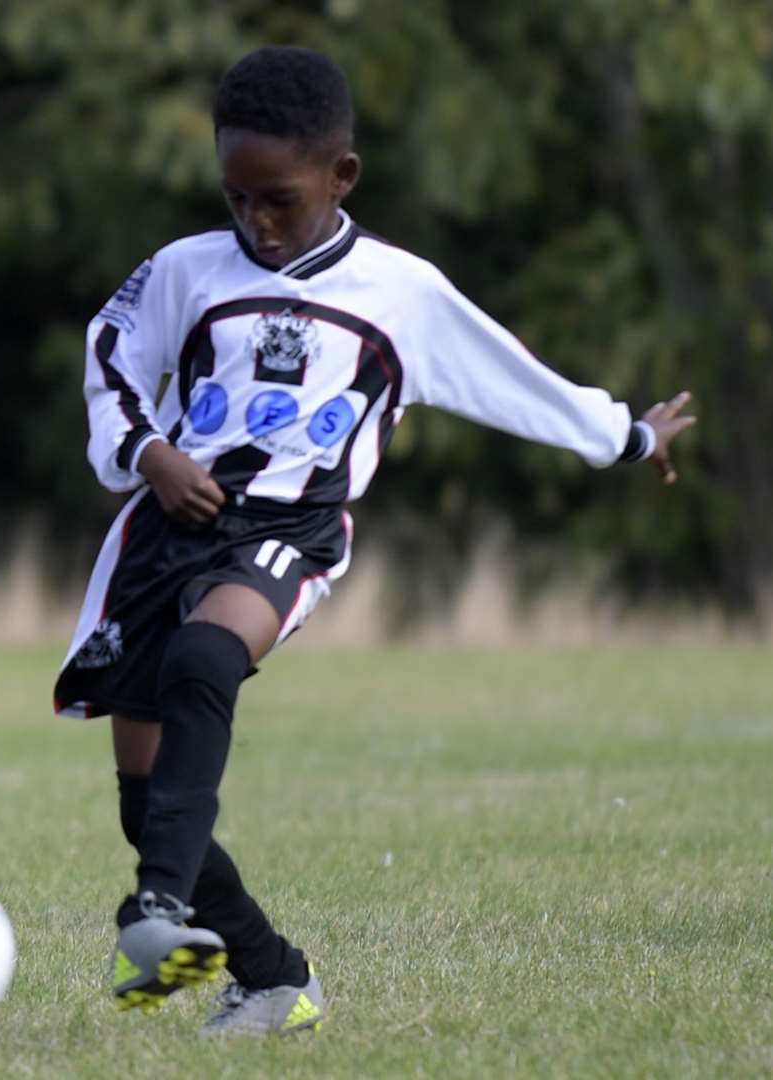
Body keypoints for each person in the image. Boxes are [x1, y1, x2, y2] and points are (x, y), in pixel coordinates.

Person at [53, 45, 696, 1038]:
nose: (254, 221)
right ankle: (274, 977)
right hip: (161, 535)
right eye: (235, 197)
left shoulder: (401, 292)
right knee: (148, 801)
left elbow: (511, 377)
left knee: (205, 658)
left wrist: (625, 434)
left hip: (290, 531)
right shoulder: (183, 271)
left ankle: (156, 913)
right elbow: (110, 358)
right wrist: (146, 453)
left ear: (339, 176)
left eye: (277, 199)